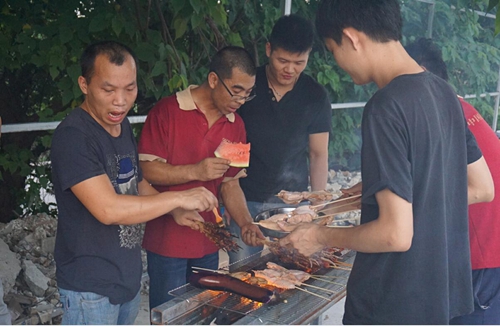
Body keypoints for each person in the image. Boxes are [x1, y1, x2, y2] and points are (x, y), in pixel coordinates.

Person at [278, 1, 495, 324]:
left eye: (333, 49)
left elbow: (395, 234)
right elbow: (481, 186)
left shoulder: (385, 106)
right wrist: (381, 193)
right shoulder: (445, 94)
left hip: (388, 305)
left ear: (351, 38)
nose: (338, 63)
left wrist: (319, 236)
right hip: (434, 304)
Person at [50, 41, 218, 325]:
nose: (121, 100)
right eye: (108, 89)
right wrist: (178, 198)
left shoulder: (120, 124)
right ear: (84, 84)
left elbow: (135, 182)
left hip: (126, 279)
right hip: (90, 290)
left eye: (130, 88)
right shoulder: (74, 137)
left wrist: (174, 212)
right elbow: (108, 209)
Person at [137, 46, 265, 310]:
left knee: (203, 312)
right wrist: (196, 171)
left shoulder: (236, 124)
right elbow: (146, 170)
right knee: (168, 313)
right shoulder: (166, 112)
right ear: (214, 80)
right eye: (236, 91)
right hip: (167, 238)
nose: (240, 100)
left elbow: (231, 183)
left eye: (247, 94)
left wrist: (245, 223)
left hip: (209, 239)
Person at [406, 37, 500, 325]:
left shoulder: (438, 114)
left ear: (420, 74)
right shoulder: (456, 106)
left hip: (482, 256)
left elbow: (476, 190)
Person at [228, 14, 332, 264]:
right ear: (268, 50)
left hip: (291, 207)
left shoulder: (315, 95)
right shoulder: (248, 85)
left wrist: (317, 205)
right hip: (246, 200)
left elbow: (318, 154)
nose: (290, 69)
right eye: (282, 60)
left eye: (299, 62)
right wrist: (228, 198)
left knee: (290, 274)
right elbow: (230, 141)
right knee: (243, 276)